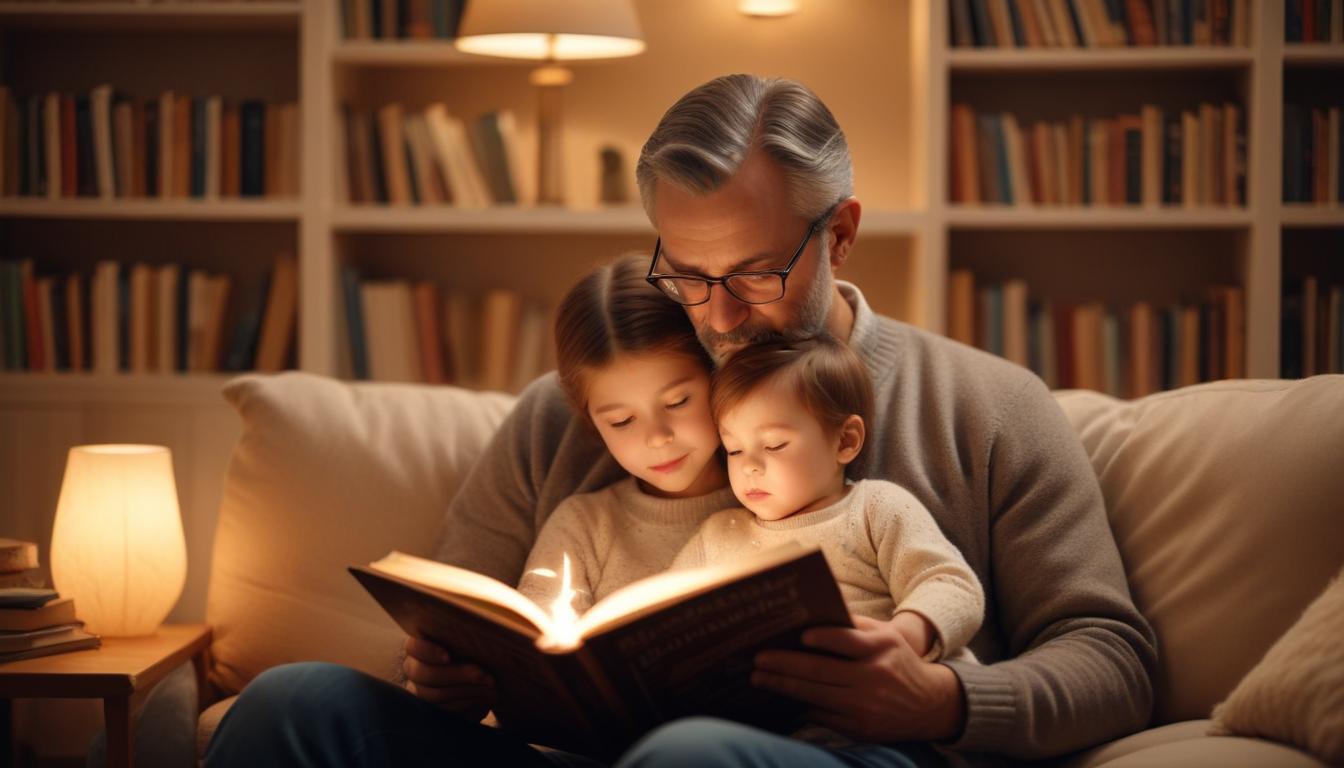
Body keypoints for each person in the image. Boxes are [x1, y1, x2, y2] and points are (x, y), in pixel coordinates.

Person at [206, 74, 1158, 768]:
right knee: (296, 703)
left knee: (695, 757)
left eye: (753, 272)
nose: (719, 315)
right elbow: (465, 610)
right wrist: (448, 676)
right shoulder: (572, 415)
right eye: (687, 274)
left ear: (840, 233)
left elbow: (1112, 662)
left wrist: (942, 699)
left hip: (829, 758)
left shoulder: (989, 408)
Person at [671, 334, 982, 672]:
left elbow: (951, 583)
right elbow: (663, 616)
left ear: (845, 441)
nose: (749, 466)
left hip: (884, 696)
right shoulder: (717, 535)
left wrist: (904, 636)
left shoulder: (874, 508)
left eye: (774, 445)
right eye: (733, 449)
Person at [515, 253, 738, 616]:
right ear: (591, 422)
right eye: (621, 421)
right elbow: (537, 630)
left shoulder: (777, 500)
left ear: (718, 378)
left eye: (678, 401)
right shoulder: (583, 526)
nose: (657, 437)